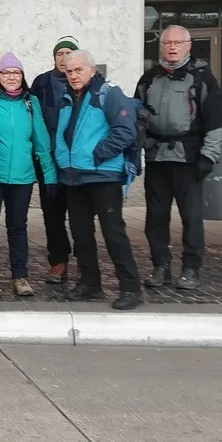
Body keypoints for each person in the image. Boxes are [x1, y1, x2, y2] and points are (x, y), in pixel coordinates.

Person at [134, 24, 222, 291]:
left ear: (188, 46)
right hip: (157, 158)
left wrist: (208, 156)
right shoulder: (149, 77)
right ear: (161, 46)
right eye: (167, 43)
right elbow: (137, 117)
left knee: (191, 217)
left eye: (177, 43)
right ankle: (160, 266)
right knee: (156, 217)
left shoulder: (202, 78)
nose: (172, 47)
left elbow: (216, 123)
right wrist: (140, 144)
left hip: (189, 158)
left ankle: (191, 269)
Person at [54, 50, 142, 310]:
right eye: (69, 71)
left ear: (92, 70)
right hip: (74, 176)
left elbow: (125, 131)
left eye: (78, 70)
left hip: (103, 175)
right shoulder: (67, 97)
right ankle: (89, 283)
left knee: (114, 233)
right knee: (81, 234)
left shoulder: (108, 94)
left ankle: (130, 288)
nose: (73, 75)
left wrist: (96, 155)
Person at [0, 53, 58, 297]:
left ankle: (20, 277)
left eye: (16, 73)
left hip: (22, 177)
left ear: (22, 76)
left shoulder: (31, 103)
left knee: (18, 227)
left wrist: (49, 175)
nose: (11, 77)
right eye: (6, 72)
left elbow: (41, 140)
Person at [30, 36, 80, 284]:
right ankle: (58, 261)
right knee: (52, 214)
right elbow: (32, 116)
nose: (63, 58)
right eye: (59, 54)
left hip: (77, 161)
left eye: (68, 53)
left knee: (80, 214)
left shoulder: (83, 82)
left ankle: (85, 261)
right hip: (49, 160)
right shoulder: (41, 83)